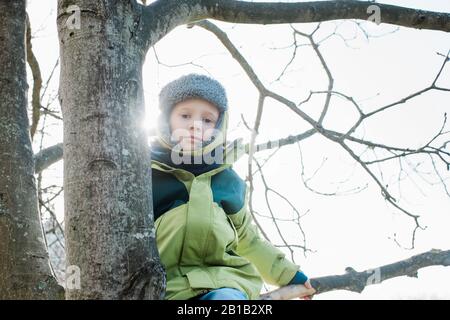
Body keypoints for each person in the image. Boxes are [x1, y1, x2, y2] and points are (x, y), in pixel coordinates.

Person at [150, 73, 314, 300]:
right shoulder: (145, 174)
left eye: (207, 120)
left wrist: (287, 273)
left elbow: (249, 240)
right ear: (167, 120)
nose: (195, 126)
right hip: (162, 289)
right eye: (185, 115)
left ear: (219, 126)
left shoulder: (228, 183)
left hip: (223, 284)